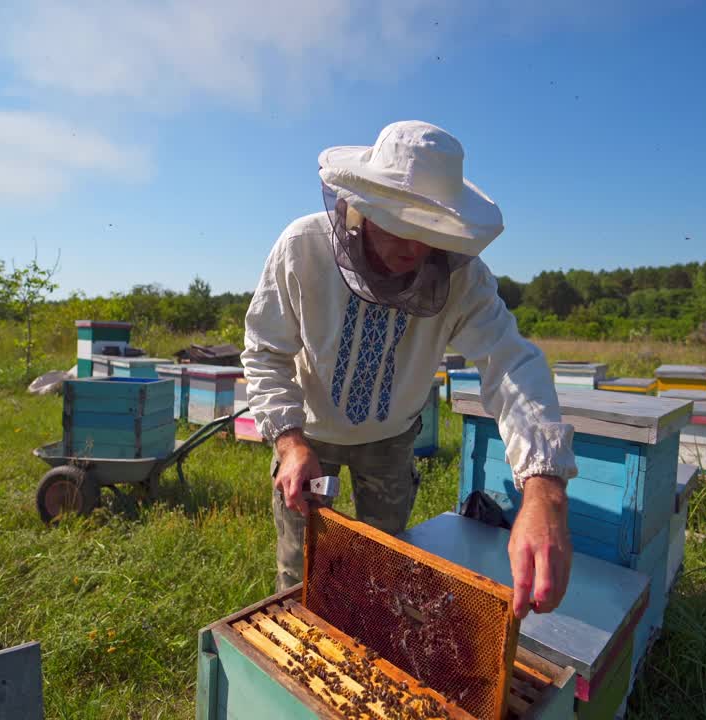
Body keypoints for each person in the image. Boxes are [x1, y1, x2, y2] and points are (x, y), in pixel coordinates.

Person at [242, 120, 578, 618]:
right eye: (400, 223)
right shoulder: (301, 248)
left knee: (386, 563)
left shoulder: (465, 281)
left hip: (392, 440)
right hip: (307, 439)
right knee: (303, 571)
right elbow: (265, 351)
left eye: (431, 230)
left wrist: (544, 487)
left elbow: (509, 362)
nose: (414, 248)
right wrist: (289, 443)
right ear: (363, 205)